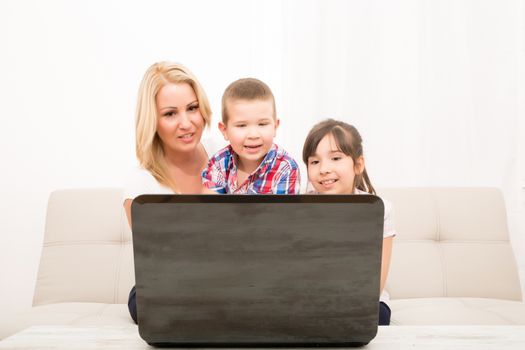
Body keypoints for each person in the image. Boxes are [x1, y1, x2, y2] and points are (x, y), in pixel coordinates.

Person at [124, 61, 216, 324]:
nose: (186, 123)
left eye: (192, 108)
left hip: (229, 275)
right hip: (170, 282)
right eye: (170, 114)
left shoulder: (225, 154)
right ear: (152, 120)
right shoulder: (140, 184)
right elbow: (159, 262)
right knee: (145, 301)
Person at [302, 119, 395, 325]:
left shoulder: (379, 209)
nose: (324, 169)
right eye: (314, 162)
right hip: (312, 299)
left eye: (335, 158)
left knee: (376, 315)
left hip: (364, 300)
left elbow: (376, 282)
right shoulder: (300, 208)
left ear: (358, 164)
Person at [202, 78, 300, 194]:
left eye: (262, 124)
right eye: (242, 125)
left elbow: (282, 212)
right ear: (225, 130)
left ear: (275, 127)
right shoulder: (219, 163)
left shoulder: (285, 168)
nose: (253, 135)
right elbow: (211, 209)